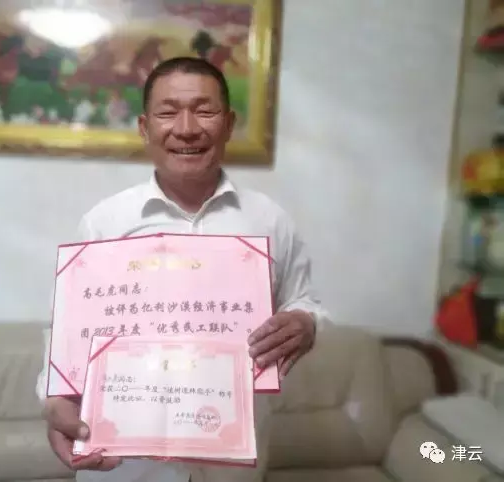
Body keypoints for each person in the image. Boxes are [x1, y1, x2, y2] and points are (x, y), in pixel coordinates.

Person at [36, 56, 331, 482]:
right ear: (144, 127)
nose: (187, 128)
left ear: (229, 124)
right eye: (168, 112)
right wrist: (55, 399)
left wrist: (306, 323)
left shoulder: (270, 221)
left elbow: (305, 301)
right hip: (126, 465)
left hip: (231, 463)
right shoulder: (105, 223)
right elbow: (64, 330)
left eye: (205, 111)